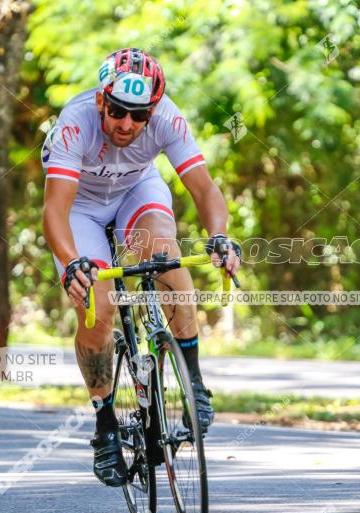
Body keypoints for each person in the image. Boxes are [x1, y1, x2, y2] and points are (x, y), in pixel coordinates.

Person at [41, 48, 241, 487]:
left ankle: (194, 382)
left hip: (135, 189)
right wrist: (74, 263)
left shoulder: (168, 118)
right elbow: (55, 210)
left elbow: (204, 189)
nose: (126, 124)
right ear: (100, 100)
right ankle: (105, 422)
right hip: (82, 208)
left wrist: (219, 235)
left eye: (138, 115)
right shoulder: (75, 123)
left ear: (153, 110)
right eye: (116, 111)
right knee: (99, 304)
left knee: (164, 254)